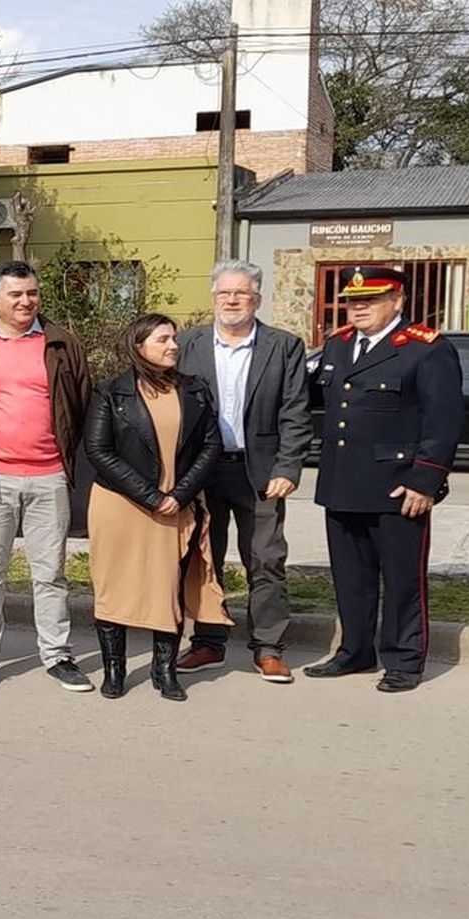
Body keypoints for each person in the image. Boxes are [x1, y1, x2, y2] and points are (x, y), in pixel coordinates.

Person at [304, 265, 463, 693]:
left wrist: (425, 482)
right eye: (353, 302)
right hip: (342, 481)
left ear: (397, 301)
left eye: (369, 301)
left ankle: (404, 660)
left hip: (398, 485)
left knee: (402, 579)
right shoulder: (337, 346)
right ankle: (355, 651)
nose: (358, 309)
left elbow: (443, 423)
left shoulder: (424, 349)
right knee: (350, 577)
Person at [0, 261, 92, 694]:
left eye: (31, 293)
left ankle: (57, 654)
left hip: (49, 476)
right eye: (15, 294)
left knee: (50, 573)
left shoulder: (61, 343)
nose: (26, 301)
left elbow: (81, 402)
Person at [175, 260, 312, 684]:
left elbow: (295, 412)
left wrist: (288, 466)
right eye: (224, 293)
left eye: (241, 293)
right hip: (204, 471)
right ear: (213, 298)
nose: (231, 301)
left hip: (261, 472)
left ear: (257, 298)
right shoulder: (187, 344)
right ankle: (208, 642)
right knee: (204, 559)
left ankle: (268, 647)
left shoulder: (283, 346)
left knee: (266, 559)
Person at [84, 314, 229, 702]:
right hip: (120, 506)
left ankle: (164, 671)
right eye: (163, 339)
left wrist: (179, 495)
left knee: (168, 588)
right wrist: (150, 496)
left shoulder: (195, 390)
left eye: (174, 338)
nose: (173, 345)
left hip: (176, 506)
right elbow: (98, 451)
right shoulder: (111, 392)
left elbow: (210, 447)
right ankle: (114, 670)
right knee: (115, 587)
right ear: (139, 346)